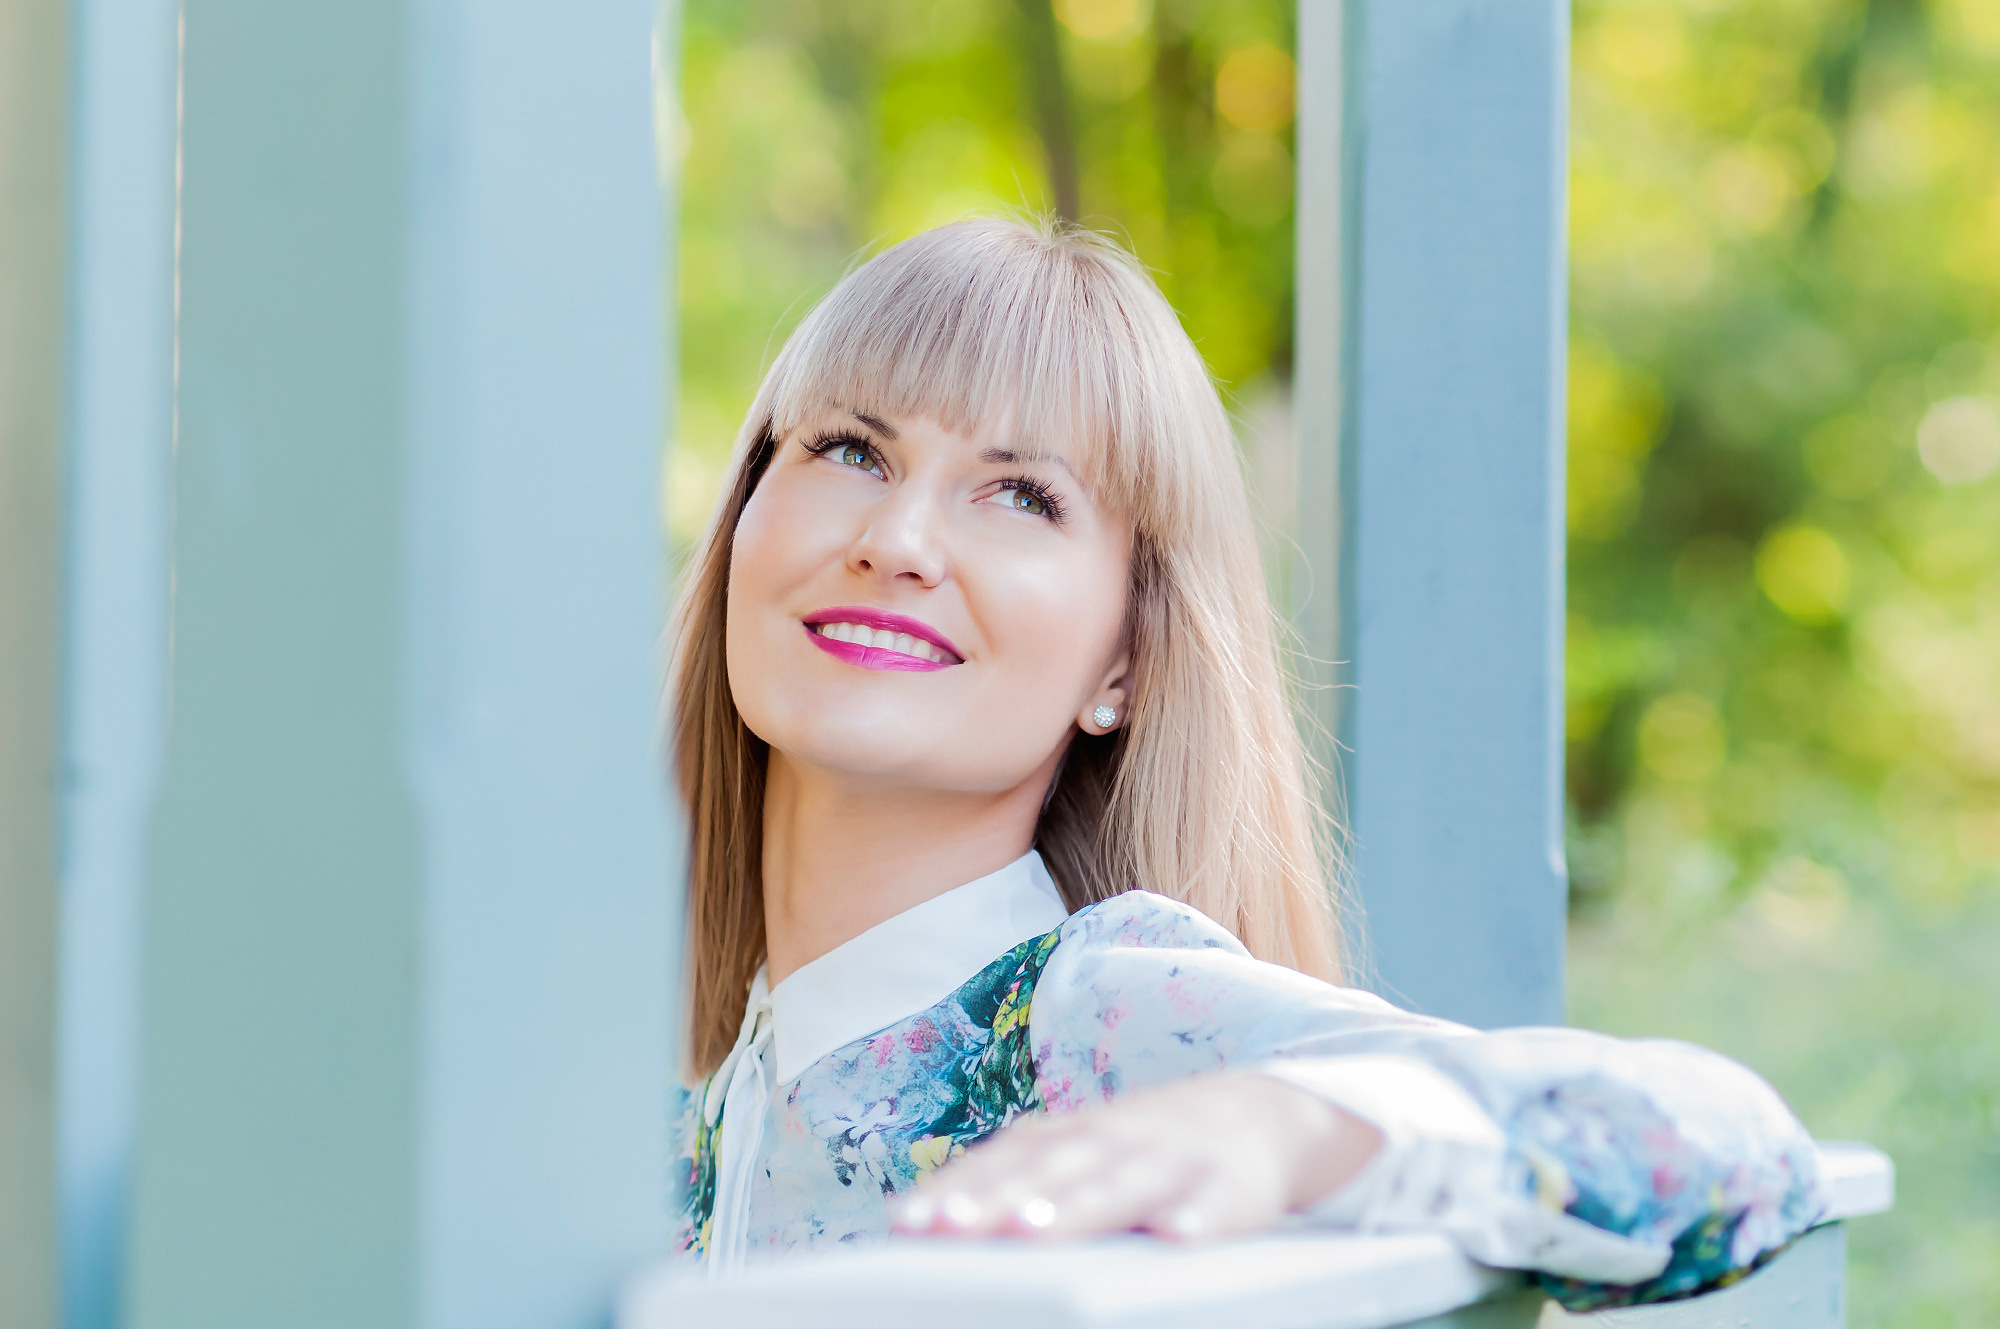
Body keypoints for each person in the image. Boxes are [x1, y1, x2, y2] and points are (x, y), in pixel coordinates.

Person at [666, 217, 1823, 1310]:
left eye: (1021, 495)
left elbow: (1729, 1143)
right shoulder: (661, 1082)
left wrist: (1288, 1129)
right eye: (849, 449)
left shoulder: (1094, 1015)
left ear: (1121, 662)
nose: (897, 541)